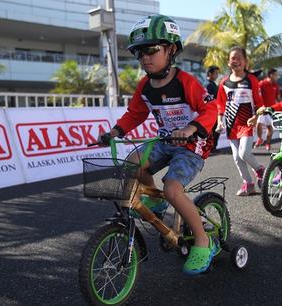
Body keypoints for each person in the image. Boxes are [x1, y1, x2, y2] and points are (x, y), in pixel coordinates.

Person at [99, 14, 218, 275]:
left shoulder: (186, 82)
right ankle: (157, 204)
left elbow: (211, 109)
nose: (145, 57)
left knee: (173, 190)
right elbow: (135, 114)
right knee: (133, 163)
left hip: (192, 144)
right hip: (164, 141)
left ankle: (203, 240)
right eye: (139, 52)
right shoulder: (145, 86)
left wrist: (190, 129)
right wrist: (115, 131)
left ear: (171, 49)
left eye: (152, 50)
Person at [215, 46, 265, 196]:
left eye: (239, 58)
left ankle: (259, 169)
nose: (235, 61)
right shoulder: (224, 83)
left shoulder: (251, 80)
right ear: (228, 62)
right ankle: (248, 184)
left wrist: (256, 117)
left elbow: (259, 103)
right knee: (237, 157)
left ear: (245, 62)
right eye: (232, 58)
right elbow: (220, 104)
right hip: (231, 125)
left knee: (244, 153)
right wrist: (219, 121)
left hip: (246, 123)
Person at [254, 68, 280, 150]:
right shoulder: (262, 84)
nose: (277, 77)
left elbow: (278, 98)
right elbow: (258, 95)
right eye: (275, 75)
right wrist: (261, 107)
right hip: (262, 109)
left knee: (269, 127)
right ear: (270, 75)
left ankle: (268, 144)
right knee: (259, 124)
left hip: (272, 109)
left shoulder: (276, 85)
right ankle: (260, 138)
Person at [206, 65, 221, 150]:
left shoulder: (213, 84)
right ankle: (211, 147)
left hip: (216, 111)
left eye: (217, 73)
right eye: (215, 73)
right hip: (211, 112)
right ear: (210, 74)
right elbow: (209, 100)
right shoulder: (208, 85)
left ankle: (213, 147)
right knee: (213, 131)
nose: (217, 75)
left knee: (216, 130)